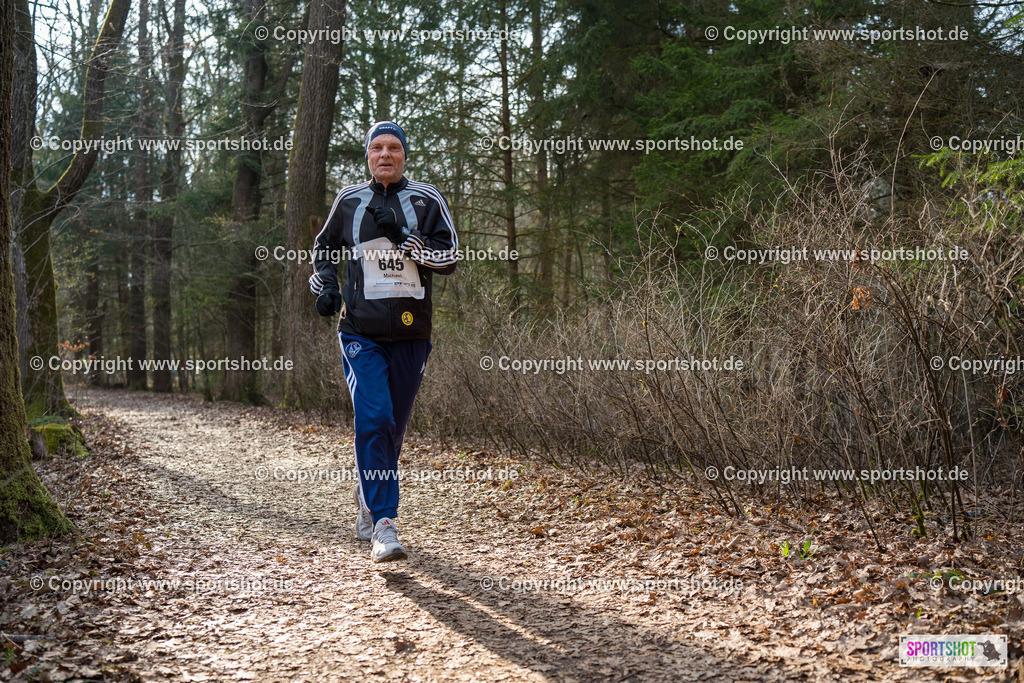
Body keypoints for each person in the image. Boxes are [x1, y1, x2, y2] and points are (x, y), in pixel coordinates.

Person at [309, 121, 458, 563]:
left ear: (405, 155)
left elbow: (450, 257)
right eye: (377, 148)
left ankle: (367, 490)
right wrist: (326, 287)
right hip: (360, 332)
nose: (386, 155)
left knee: (392, 426)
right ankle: (384, 523)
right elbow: (322, 251)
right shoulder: (350, 200)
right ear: (368, 156)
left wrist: (407, 242)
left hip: (413, 333)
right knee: (374, 417)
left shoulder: (427, 199)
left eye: (394, 147)